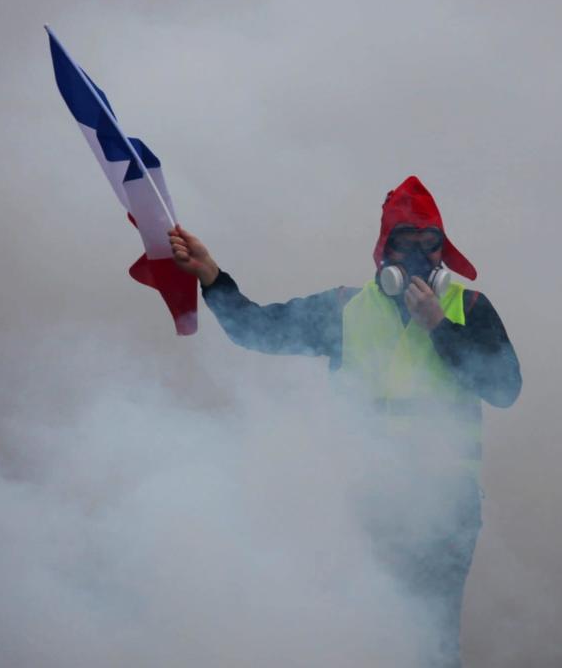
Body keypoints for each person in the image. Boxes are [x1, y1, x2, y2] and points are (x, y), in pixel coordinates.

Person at [169, 175, 521, 667]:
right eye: (406, 243)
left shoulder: (470, 308)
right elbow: (255, 329)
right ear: (384, 255)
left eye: (430, 244)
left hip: (445, 513)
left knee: (431, 647)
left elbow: (505, 388)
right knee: (369, 639)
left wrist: (440, 327)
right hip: (368, 508)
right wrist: (210, 275)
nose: (419, 255)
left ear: (445, 253)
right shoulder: (343, 310)